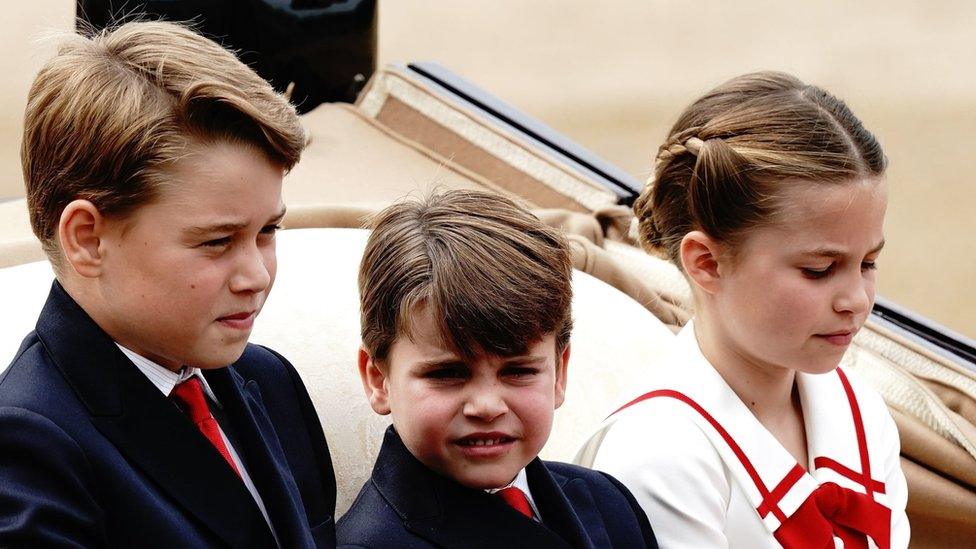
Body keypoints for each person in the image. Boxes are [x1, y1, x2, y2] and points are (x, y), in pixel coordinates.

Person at [0, 21, 336, 548]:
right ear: (87, 239)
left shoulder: (269, 381)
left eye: (268, 230)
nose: (257, 276)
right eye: (216, 242)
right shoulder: (27, 452)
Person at [577, 71, 910, 548]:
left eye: (869, 262)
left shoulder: (861, 413)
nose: (856, 299)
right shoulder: (657, 455)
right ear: (707, 263)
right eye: (819, 269)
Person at [338, 190, 657, 548]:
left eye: (518, 371)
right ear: (379, 378)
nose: (487, 406)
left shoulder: (607, 502)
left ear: (559, 372)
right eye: (448, 374)